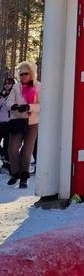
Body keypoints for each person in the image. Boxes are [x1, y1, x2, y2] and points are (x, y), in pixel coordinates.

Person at [7, 61, 41, 189]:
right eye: (21, 74)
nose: (23, 76)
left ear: (31, 74)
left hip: (32, 122)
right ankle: (16, 172)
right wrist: (14, 106)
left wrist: (29, 107)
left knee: (27, 151)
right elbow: (9, 102)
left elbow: (42, 105)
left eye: (26, 73)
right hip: (18, 121)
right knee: (12, 149)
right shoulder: (16, 87)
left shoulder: (38, 86)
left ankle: (24, 177)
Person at [0, 75, 14, 170]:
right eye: (5, 83)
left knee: (7, 145)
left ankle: (7, 165)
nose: (7, 85)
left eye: (9, 83)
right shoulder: (1, 94)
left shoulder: (14, 95)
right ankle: (3, 155)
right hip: (0, 123)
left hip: (9, 123)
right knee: (4, 149)